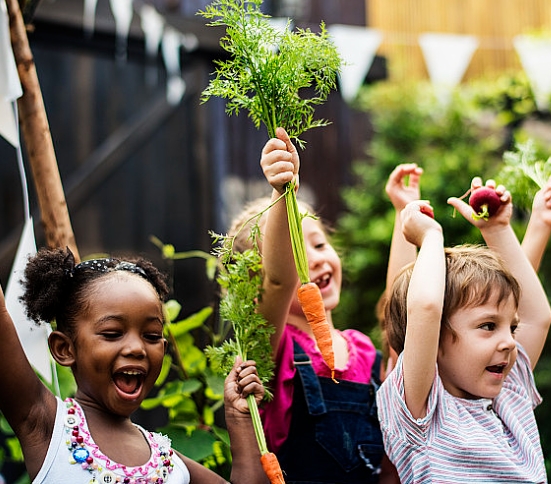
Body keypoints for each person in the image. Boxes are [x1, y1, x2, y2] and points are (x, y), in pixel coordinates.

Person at [0, 247, 268, 484]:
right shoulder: (46, 425)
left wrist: (240, 419)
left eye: (151, 336)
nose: (137, 348)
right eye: (112, 333)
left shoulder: (171, 465)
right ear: (64, 348)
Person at [226, 126, 397, 484]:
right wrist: (282, 194)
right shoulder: (275, 347)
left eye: (319, 245)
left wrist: (403, 214)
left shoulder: (363, 349)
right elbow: (280, 279)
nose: (315, 260)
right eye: (298, 252)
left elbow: (401, 309)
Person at [377, 176, 551, 483]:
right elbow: (427, 308)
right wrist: (431, 237)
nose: (510, 343)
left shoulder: (509, 394)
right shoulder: (420, 413)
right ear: (435, 340)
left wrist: (497, 229)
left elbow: (538, 318)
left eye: (510, 328)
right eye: (488, 326)